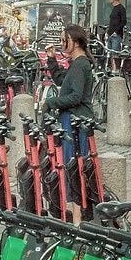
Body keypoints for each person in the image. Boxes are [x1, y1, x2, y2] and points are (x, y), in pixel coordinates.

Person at [43, 24, 97, 224]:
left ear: (74, 42)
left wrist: (50, 102)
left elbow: (75, 96)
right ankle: (75, 216)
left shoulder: (81, 64)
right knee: (71, 166)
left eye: (64, 39)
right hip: (73, 119)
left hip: (75, 120)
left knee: (73, 167)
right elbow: (62, 81)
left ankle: (76, 219)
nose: (61, 43)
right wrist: (51, 59)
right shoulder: (77, 64)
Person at [106, 0, 126, 72]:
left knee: (115, 52)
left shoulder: (121, 8)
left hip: (116, 34)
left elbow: (123, 21)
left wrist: (117, 31)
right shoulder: (114, 8)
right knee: (110, 53)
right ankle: (112, 68)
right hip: (111, 33)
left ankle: (116, 69)